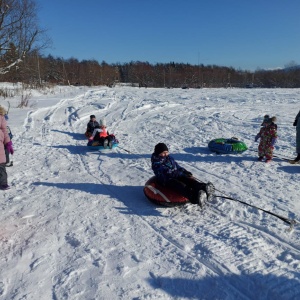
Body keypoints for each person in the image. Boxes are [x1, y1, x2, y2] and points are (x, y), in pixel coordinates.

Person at [151, 143, 215, 208]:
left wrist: (185, 171)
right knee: (181, 186)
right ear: (158, 153)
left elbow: (177, 167)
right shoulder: (156, 163)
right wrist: (181, 173)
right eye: (163, 153)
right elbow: (168, 173)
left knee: (189, 180)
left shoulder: (169, 158)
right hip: (166, 180)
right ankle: (195, 198)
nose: (165, 154)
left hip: (176, 175)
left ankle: (204, 188)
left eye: (166, 152)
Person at [0, 105, 14, 190]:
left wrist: (8, 143)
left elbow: (5, 131)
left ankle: (3, 183)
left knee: (1, 165)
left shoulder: (1, 117)